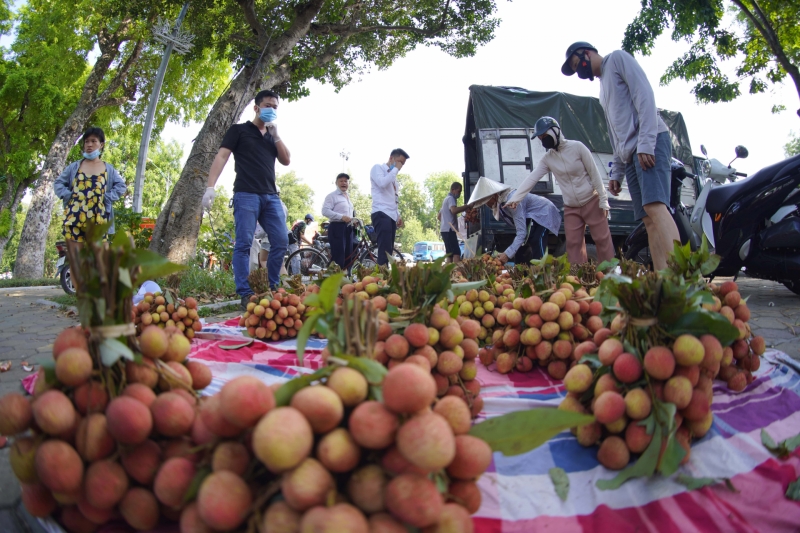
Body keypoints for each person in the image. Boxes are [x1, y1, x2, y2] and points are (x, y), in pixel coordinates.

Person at [561, 41, 680, 270]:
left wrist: (646, 141)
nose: (579, 71)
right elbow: (615, 133)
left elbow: (644, 94)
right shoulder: (603, 89)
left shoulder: (617, 58)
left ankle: (682, 275)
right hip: (629, 153)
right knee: (648, 219)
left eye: (578, 64)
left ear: (587, 52)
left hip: (648, 141)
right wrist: (617, 172)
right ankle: (663, 278)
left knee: (656, 207)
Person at [202, 89, 290, 309]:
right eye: (268, 105)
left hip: (271, 196)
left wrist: (276, 135)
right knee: (243, 244)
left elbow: (286, 160)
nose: (271, 110)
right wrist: (210, 187)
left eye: (275, 107)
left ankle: (271, 286)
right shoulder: (239, 130)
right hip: (246, 194)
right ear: (257, 107)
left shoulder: (272, 136)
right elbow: (222, 156)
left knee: (281, 240)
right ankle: (245, 293)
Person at [506, 116, 615, 264]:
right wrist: (516, 198)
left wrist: (603, 199)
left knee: (602, 239)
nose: (543, 140)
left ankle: (609, 277)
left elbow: (594, 173)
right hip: (571, 207)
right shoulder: (548, 159)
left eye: (545, 136)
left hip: (591, 200)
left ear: (555, 131)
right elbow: (532, 178)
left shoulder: (578, 147)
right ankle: (577, 280)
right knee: (573, 245)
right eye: (540, 138)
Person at [54, 126, 127, 242]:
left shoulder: (108, 169)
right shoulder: (74, 167)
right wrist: (68, 196)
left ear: (101, 145)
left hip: (98, 219)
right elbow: (58, 183)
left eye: (94, 141)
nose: (89, 145)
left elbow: (121, 186)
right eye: (87, 141)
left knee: (99, 258)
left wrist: (107, 198)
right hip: (74, 217)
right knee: (76, 259)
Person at [483, 189, 561, 265]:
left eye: (486, 200)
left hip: (544, 212)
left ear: (494, 196)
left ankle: (540, 270)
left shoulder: (512, 201)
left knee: (536, 239)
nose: (486, 204)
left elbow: (521, 232)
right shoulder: (502, 203)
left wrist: (507, 254)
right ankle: (520, 271)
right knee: (521, 245)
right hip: (531, 216)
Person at [370, 149, 409, 265]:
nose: (400, 166)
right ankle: (382, 279)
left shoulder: (393, 179)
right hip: (381, 212)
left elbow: (394, 198)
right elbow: (382, 183)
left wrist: (398, 215)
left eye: (402, 164)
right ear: (391, 158)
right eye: (399, 162)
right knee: (384, 251)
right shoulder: (378, 168)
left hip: (391, 215)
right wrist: (395, 169)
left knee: (389, 250)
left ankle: (385, 277)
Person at [322, 173, 356, 269]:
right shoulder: (332, 196)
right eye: (341, 181)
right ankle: (336, 280)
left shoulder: (348, 197)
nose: (343, 183)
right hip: (337, 227)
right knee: (339, 257)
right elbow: (325, 211)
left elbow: (348, 214)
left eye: (346, 181)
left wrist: (353, 221)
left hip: (348, 228)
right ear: (336, 183)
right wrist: (341, 217)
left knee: (348, 256)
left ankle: (346, 280)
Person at [439, 182, 469, 263]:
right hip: (449, 230)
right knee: (456, 253)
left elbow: (439, 216)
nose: (459, 194)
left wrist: (445, 220)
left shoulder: (445, 200)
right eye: (459, 191)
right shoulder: (451, 199)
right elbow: (454, 210)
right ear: (453, 190)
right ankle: (456, 273)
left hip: (444, 230)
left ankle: (448, 273)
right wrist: (467, 206)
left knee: (450, 254)